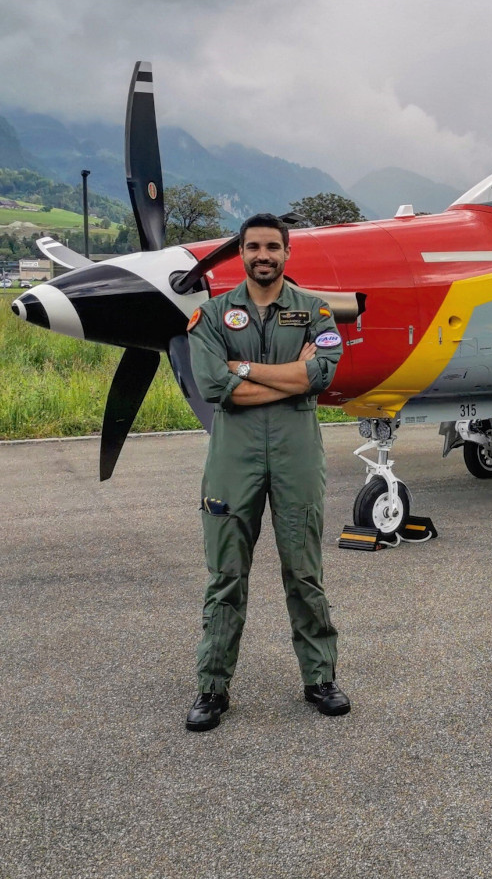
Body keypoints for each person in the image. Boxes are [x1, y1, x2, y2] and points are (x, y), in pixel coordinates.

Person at [183, 213, 350, 732]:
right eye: (253, 246)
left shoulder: (314, 311)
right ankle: (212, 687)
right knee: (227, 573)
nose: (263, 255)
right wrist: (291, 378)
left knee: (303, 569)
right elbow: (212, 385)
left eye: (273, 247)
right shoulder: (210, 316)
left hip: (296, 452)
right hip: (234, 458)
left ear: (286, 253)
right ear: (241, 253)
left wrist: (246, 369)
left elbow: (321, 373)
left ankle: (319, 679)